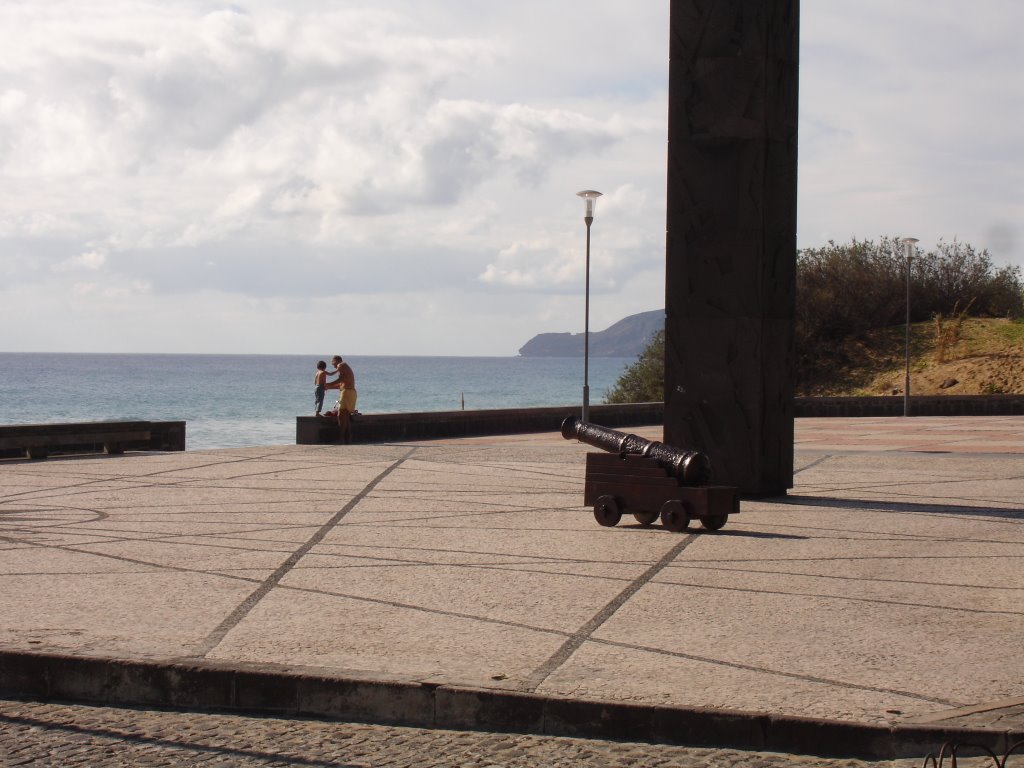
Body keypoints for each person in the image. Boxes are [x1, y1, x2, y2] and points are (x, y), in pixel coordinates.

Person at [323, 355, 357, 443]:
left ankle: (341, 438)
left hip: (346, 392)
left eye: (332, 362)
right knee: (346, 417)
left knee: (341, 416)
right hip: (351, 392)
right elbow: (341, 384)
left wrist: (329, 384)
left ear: (337, 360)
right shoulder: (345, 367)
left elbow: (341, 379)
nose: (332, 364)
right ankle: (348, 438)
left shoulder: (341, 365)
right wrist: (329, 387)